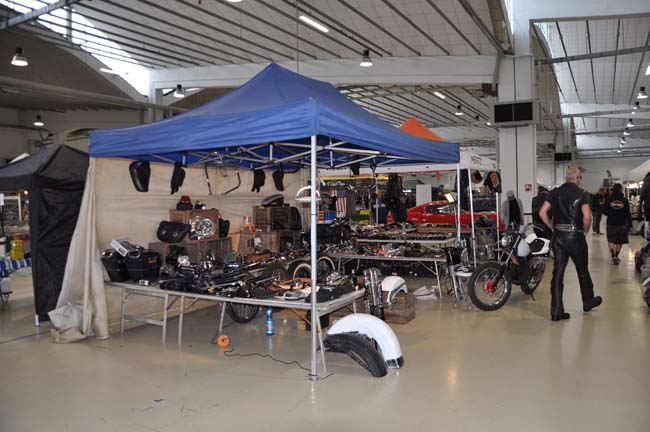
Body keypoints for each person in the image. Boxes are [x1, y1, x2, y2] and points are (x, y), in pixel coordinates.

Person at [539, 167, 602, 321]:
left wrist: (552, 227)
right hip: (575, 237)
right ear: (577, 178)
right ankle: (588, 301)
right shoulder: (582, 193)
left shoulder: (554, 193)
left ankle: (556, 311)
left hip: (559, 237)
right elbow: (587, 217)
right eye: (580, 178)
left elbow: (542, 212)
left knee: (558, 273)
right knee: (582, 270)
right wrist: (584, 231)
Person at [603, 183, 632, 265]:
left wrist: (611, 214)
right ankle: (616, 255)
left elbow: (604, 211)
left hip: (611, 223)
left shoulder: (608, 199)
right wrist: (630, 225)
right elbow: (628, 213)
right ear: (621, 190)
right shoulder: (625, 200)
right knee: (619, 241)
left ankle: (613, 256)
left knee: (611, 239)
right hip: (622, 223)